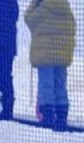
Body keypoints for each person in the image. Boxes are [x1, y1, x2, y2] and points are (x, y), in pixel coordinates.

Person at [25, 0, 76, 131]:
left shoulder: (43, 9)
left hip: (45, 54)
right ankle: (61, 119)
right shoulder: (65, 7)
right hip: (62, 55)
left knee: (46, 86)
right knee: (60, 86)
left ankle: (47, 119)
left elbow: (28, 19)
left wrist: (35, 2)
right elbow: (72, 28)